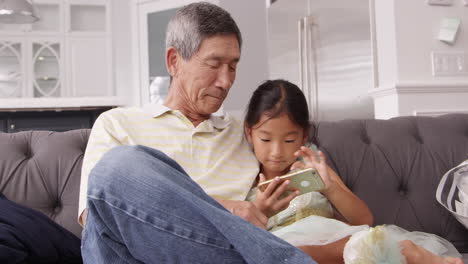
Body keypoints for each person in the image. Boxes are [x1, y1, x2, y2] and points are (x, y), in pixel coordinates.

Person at [79, 2, 314, 263]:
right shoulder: (117, 123)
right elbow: (95, 215)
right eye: (214, 64)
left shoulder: (247, 132)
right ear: (174, 62)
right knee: (117, 167)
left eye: (233, 67)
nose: (225, 81)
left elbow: (296, 159)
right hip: (138, 254)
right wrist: (228, 210)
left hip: (222, 253)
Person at [243, 79, 464, 264]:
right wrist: (261, 210)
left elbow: (363, 219)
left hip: (332, 239)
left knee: (356, 243)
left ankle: (406, 251)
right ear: (249, 132)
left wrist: (329, 187)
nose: (276, 152)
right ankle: (397, 251)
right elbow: (241, 235)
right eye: (265, 139)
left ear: (304, 136)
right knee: (292, 253)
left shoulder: (311, 163)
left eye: (289, 140)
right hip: (287, 247)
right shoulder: (243, 174)